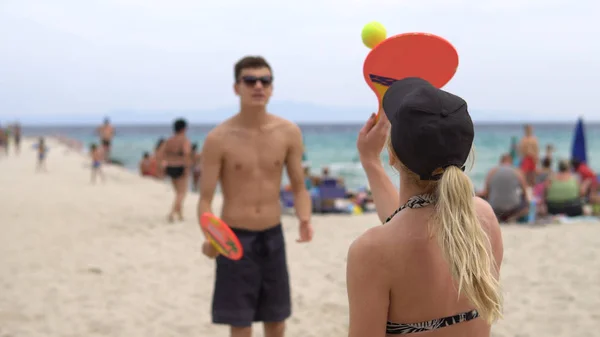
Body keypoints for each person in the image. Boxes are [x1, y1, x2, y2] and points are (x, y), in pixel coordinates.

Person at [348, 78, 503, 336]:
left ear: (394, 156)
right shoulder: (483, 218)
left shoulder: (372, 251)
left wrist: (369, 157)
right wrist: (370, 162)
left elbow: (404, 229)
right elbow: (409, 219)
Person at [197, 56, 313, 337]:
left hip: (273, 237)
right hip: (234, 238)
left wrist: (305, 218)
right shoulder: (218, 138)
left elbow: (299, 186)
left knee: (276, 321)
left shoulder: (288, 133)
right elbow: (205, 201)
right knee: (241, 324)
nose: (258, 86)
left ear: (272, 88)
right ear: (237, 87)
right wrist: (213, 237)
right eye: (250, 80)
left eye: (265, 80)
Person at [156, 118, 192, 222]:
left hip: (169, 167)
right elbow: (186, 154)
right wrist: (187, 168)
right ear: (184, 129)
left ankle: (180, 215)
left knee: (178, 193)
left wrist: (161, 166)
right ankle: (172, 213)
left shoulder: (169, 140)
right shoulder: (184, 140)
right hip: (180, 166)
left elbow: (159, 154)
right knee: (182, 193)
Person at [479, 154, 529, 223]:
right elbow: (525, 193)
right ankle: (513, 217)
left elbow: (486, 192)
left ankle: (498, 217)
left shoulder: (491, 172)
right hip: (513, 209)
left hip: (496, 208)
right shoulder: (517, 172)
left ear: (500, 161)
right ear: (511, 161)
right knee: (526, 204)